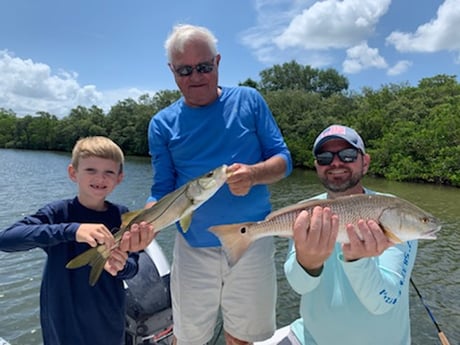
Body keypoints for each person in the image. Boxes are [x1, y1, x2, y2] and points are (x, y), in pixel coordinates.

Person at [146, 24, 292, 345]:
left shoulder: (249, 101)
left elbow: (283, 161)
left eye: (203, 66)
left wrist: (254, 174)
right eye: (185, 70)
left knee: (242, 337)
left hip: (252, 241)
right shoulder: (161, 124)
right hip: (193, 247)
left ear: (218, 62)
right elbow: (161, 188)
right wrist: (144, 222)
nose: (195, 76)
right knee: (188, 339)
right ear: (172, 71)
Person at [0, 136, 155, 345]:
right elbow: (7, 239)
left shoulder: (122, 216)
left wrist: (122, 267)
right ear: (73, 173)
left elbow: (134, 265)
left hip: (107, 320)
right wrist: (72, 230)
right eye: (91, 170)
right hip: (62, 321)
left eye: (109, 172)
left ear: (119, 178)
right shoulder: (59, 213)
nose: (100, 178)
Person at [282, 124, 418, 345]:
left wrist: (357, 261)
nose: (336, 163)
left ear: (365, 162)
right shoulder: (305, 211)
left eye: (347, 155)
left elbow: (382, 302)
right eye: (325, 157)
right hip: (309, 339)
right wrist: (308, 262)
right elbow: (300, 286)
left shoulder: (395, 212)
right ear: (316, 165)